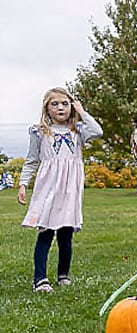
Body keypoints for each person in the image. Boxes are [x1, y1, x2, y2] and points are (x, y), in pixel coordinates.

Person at [17, 87, 103, 292]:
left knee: (66, 232)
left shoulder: (79, 130)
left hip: (69, 189)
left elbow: (98, 131)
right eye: (54, 104)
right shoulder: (39, 132)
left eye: (65, 103)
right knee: (46, 231)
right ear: (47, 108)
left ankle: (63, 275)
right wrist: (23, 184)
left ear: (71, 106)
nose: (60, 107)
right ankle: (40, 279)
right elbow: (31, 161)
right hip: (48, 187)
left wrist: (82, 112)